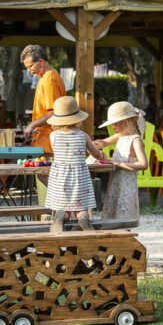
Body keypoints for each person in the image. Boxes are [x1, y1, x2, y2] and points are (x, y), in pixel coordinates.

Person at [45, 96, 105, 232]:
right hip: (79, 177)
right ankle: (83, 219)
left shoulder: (53, 136)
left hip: (60, 177)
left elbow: (57, 152)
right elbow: (95, 154)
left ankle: (62, 215)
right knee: (81, 207)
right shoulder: (83, 135)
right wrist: (102, 155)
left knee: (63, 205)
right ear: (77, 118)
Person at [95, 102, 148, 224]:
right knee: (113, 209)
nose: (113, 127)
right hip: (116, 180)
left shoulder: (135, 140)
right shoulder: (121, 136)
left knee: (124, 211)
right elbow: (104, 142)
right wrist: (96, 144)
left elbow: (143, 164)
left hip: (127, 183)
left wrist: (118, 163)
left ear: (126, 122)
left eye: (115, 124)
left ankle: (125, 235)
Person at [20, 45, 66, 155]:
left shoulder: (49, 79)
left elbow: (53, 113)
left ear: (40, 61)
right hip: (44, 140)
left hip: (49, 141)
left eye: (30, 66)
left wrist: (32, 125)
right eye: (26, 67)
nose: (29, 71)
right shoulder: (44, 77)